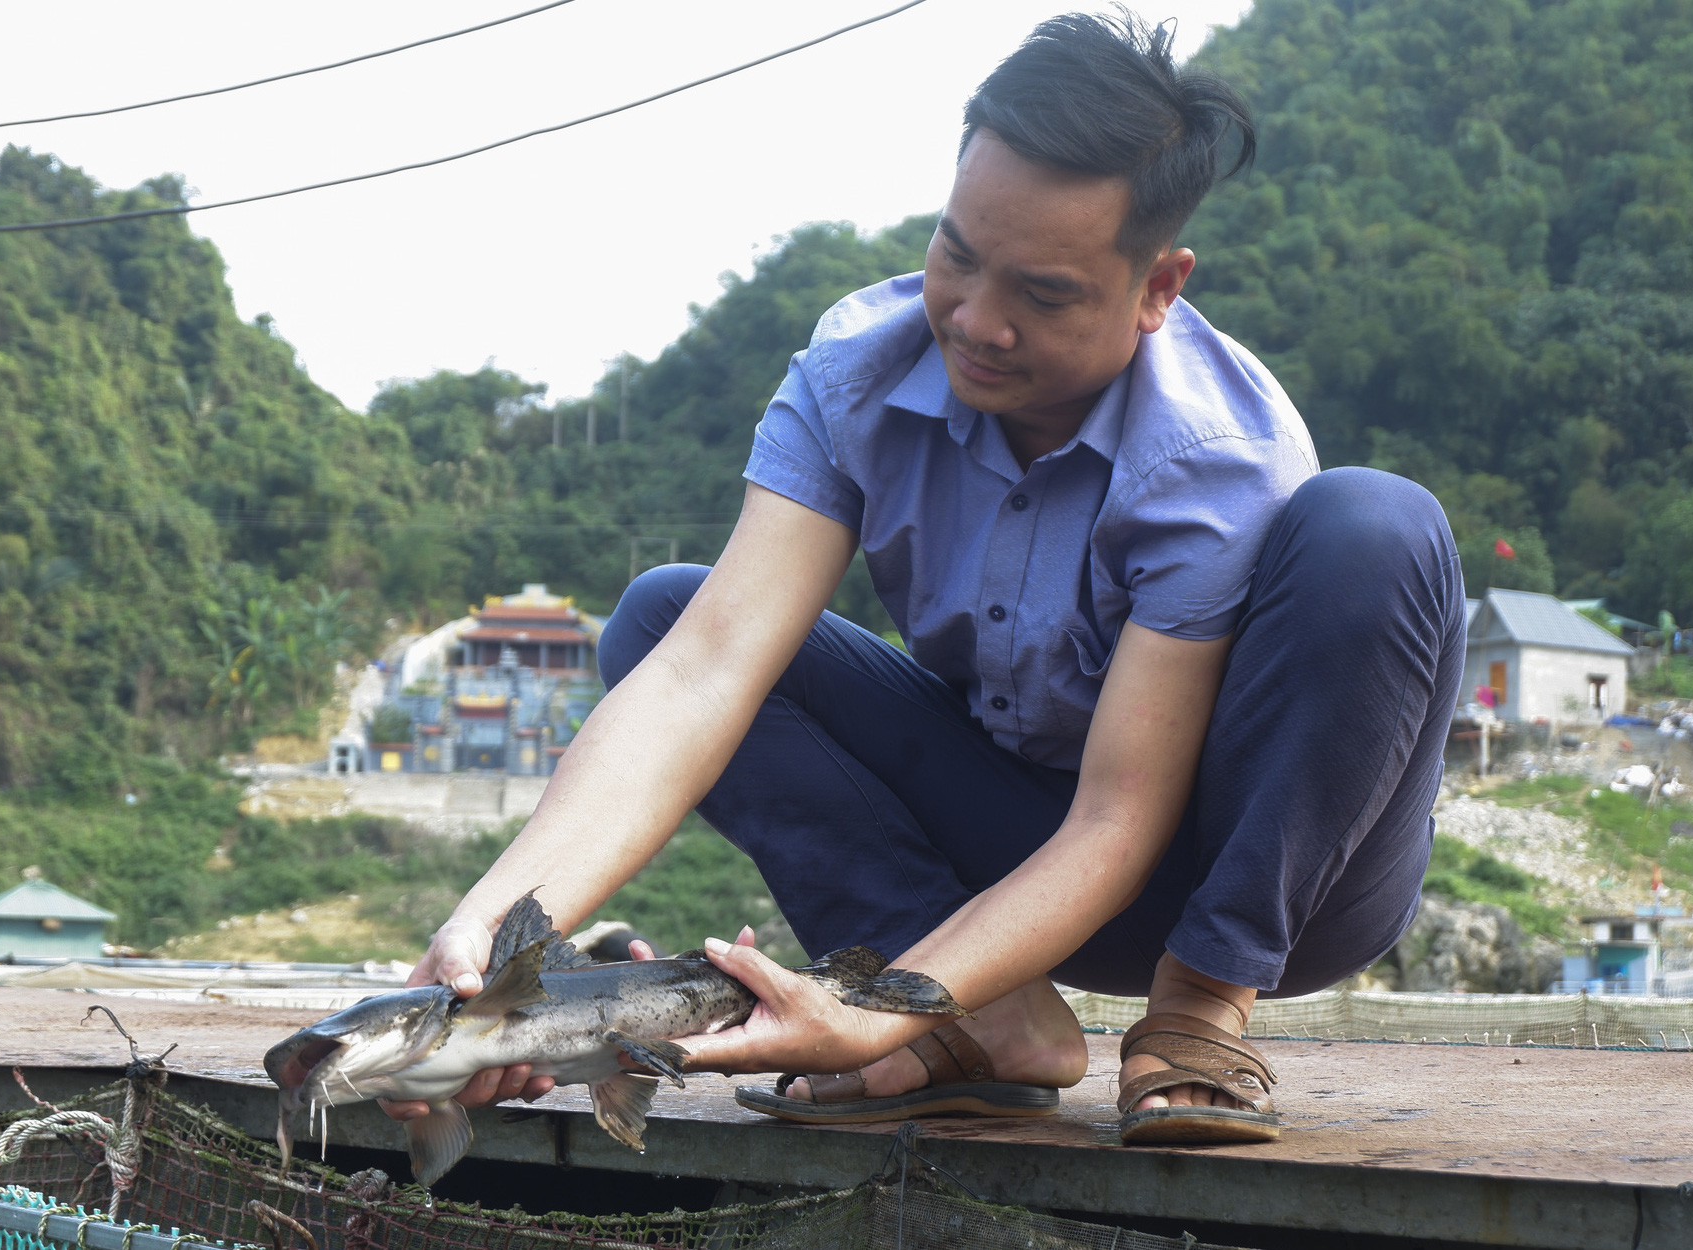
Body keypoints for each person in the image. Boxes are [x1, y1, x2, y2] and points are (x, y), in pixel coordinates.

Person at [386, 11, 1464, 1146]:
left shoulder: (1210, 454)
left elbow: (1119, 816)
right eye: (956, 253)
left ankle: (1200, 1001)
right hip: (1016, 862)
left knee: (1376, 525)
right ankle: (986, 1018)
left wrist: (866, 1012)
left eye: (1041, 294)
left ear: (1156, 287)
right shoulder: (861, 369)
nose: (975, 322)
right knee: (665, 614)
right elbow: (704, 670)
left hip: (1266, 868)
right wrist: (486, 929)